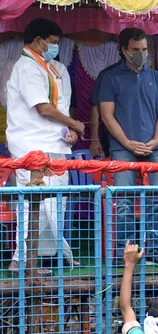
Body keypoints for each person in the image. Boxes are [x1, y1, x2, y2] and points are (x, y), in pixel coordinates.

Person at [5, 18, 80, 272]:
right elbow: (43, 107)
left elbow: (62, 107)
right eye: (53, 43)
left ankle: (38, 257)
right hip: (31, 146)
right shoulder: (25, 67)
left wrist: (71, 129)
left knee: (56, 201)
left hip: (57, 144)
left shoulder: (57, 68)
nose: (55, 47)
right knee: (32, 202)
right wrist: (75, 123)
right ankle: (22, 260)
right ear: (38, 42)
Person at [99, 28, 158, 261]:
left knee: (157, 202)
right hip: (122, 149)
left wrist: (155, 141)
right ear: (124, 51)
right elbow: (107, 116)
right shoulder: (110, 77)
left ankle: (157, 254)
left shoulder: (157, 78)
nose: (141, 54)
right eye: (136, 50)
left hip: (154, 149)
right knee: (124, 203)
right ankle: (126, 255)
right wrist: (128, 142)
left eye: (144, 49)